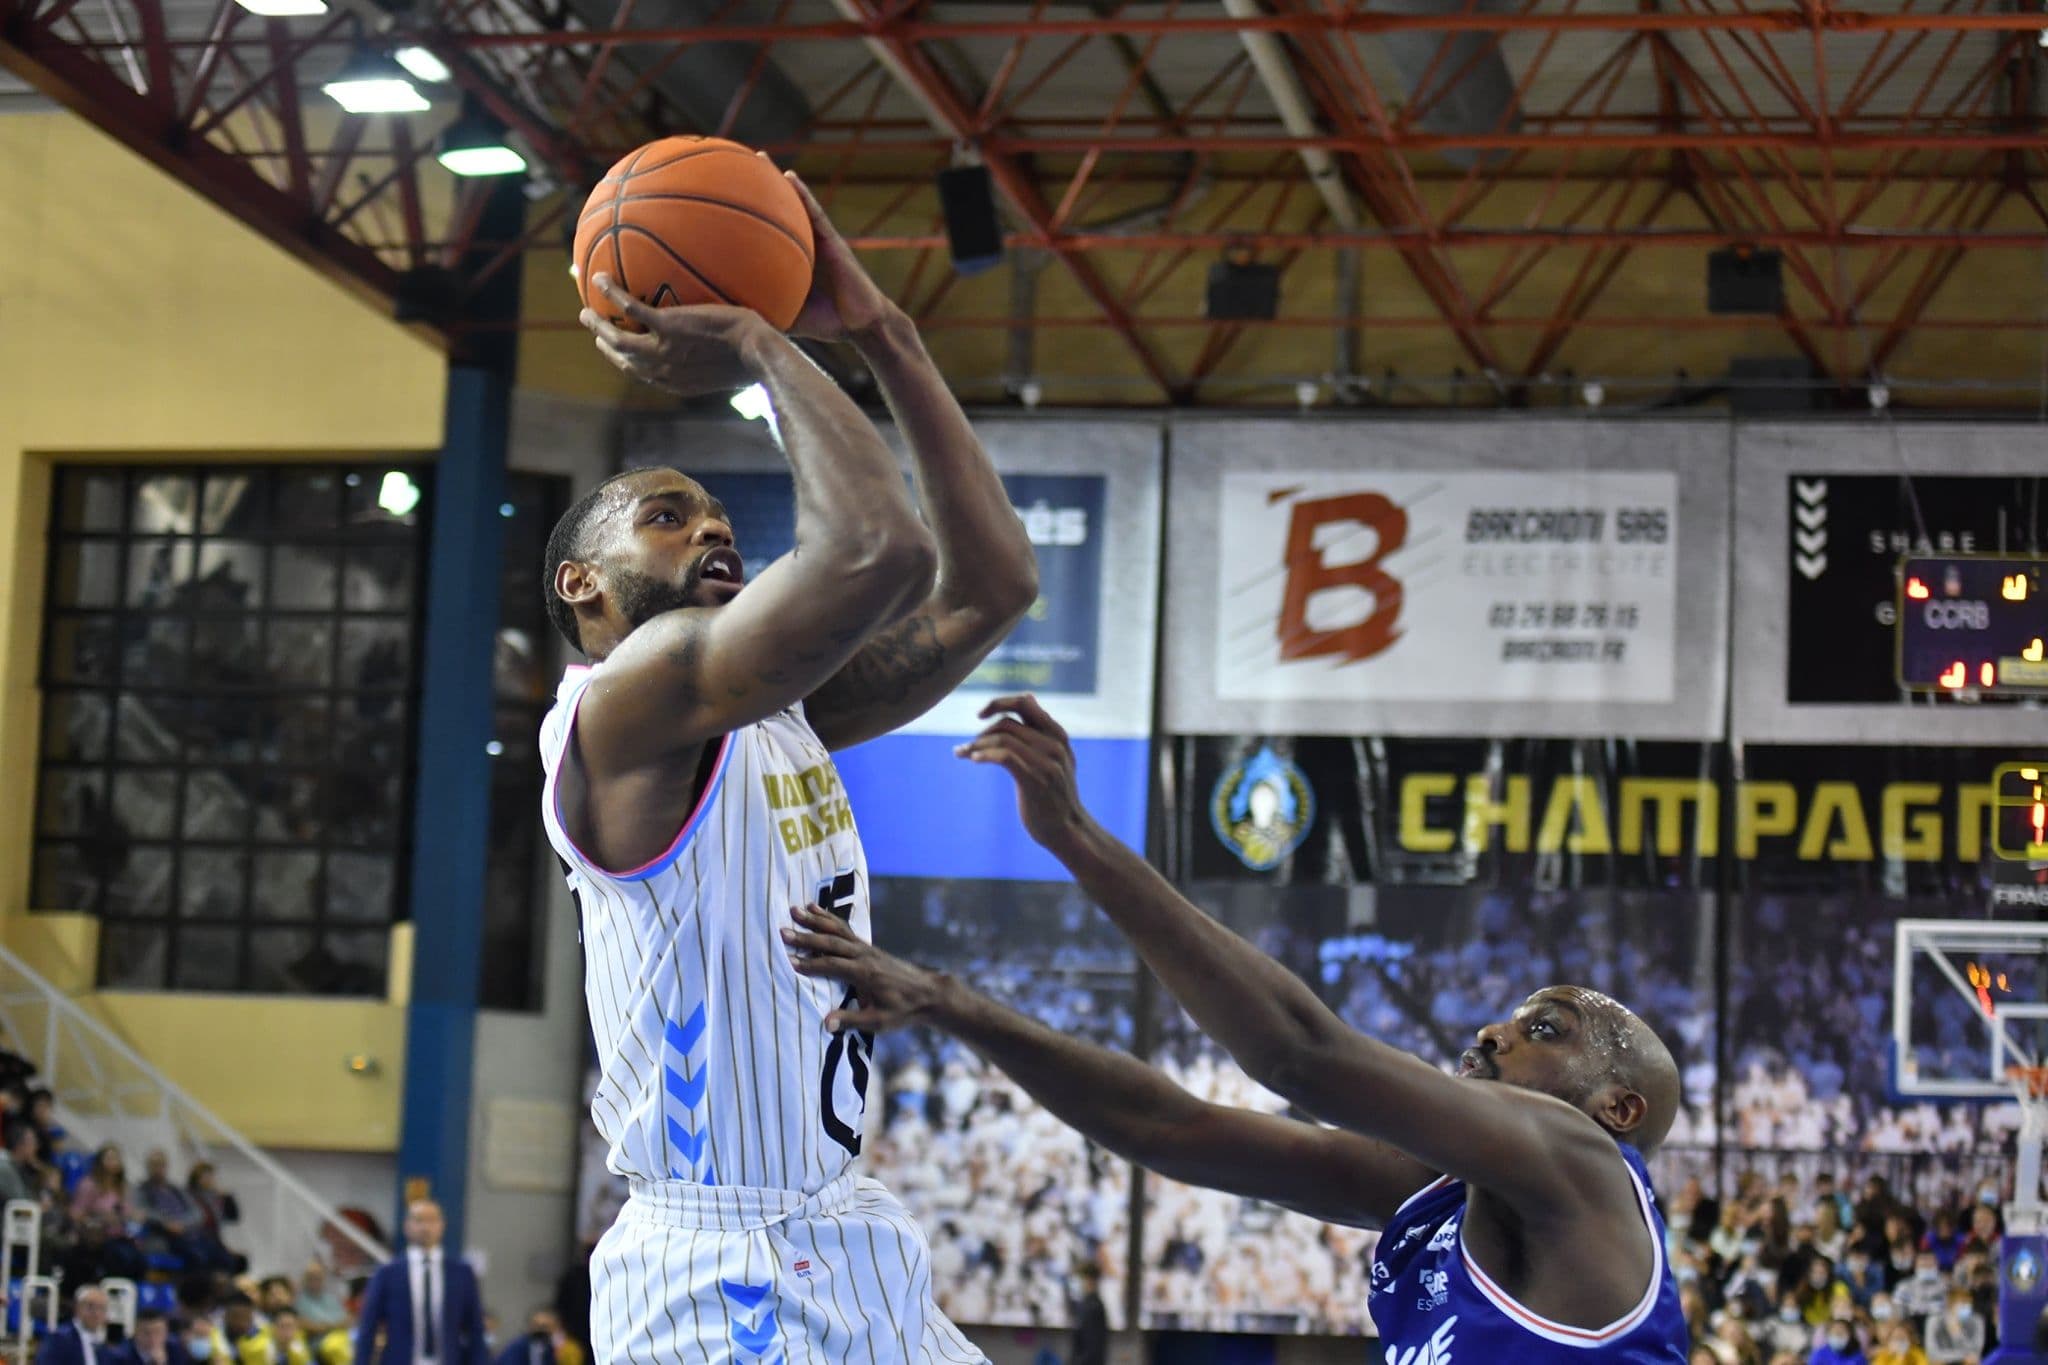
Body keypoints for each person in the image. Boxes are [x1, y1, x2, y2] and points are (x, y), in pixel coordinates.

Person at [783, 694, 1689, 1362]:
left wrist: (1075, 838)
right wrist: (951, 1002)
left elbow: (1299, 1053)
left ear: (1616, 1107)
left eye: (1545, 1026)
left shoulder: (1584, 1163)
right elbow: (1170, 1128)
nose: (1494, 1030)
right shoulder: (1439, 1192)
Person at [547, 163, 1037, 1365]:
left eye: (716, 511)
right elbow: (878, 547)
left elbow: (992, 586)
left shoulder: (771, 719)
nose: (710, 526)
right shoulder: (623, 708)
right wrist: (762, 343)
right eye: (666, 515)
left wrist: (886, 329)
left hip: (842, 1226)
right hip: (717, 1272)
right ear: (582, 584)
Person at [352, 1201, 485, 1365]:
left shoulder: (462, 1273)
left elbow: (475, 1329)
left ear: (442, 1225)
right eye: (419, 1220)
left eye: (432, 1220)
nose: (425, 1227)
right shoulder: (387, 1273)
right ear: (407, 1226)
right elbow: (368, 1327)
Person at [37, 1286, 112, 1365]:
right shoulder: (59, 1338)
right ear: (77, 1307)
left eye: (101, 1308)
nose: (96, 1313)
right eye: (90, 1306)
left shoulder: (103, 1343)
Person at [1920, 1291, 1982, 1365]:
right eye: (1963, 1304)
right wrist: (1961, 1356)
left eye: (1969, 1304)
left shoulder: (1975, 1320)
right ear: (1951, 1305)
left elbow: (1975, 1351)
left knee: (1972, 1361)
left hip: (1961, 1361)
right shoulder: (1934, 1321)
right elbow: (1932, 1353)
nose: (1967, 1308)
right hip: (1943, 1360)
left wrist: (1958, 1334)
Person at [111, 1311, 187, 1365]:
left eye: (158, 1332)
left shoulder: (176, 1351)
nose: (152, 1338)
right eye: (146, 1332)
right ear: (135, 1333)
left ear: (166, 1333)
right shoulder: (121, 1356)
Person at [1066, 1265, 1106, 1365]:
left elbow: (1092, 1348)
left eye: (1080, 1279)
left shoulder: (1093, 1307)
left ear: (1089, 1280)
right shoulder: (1086, 1304)